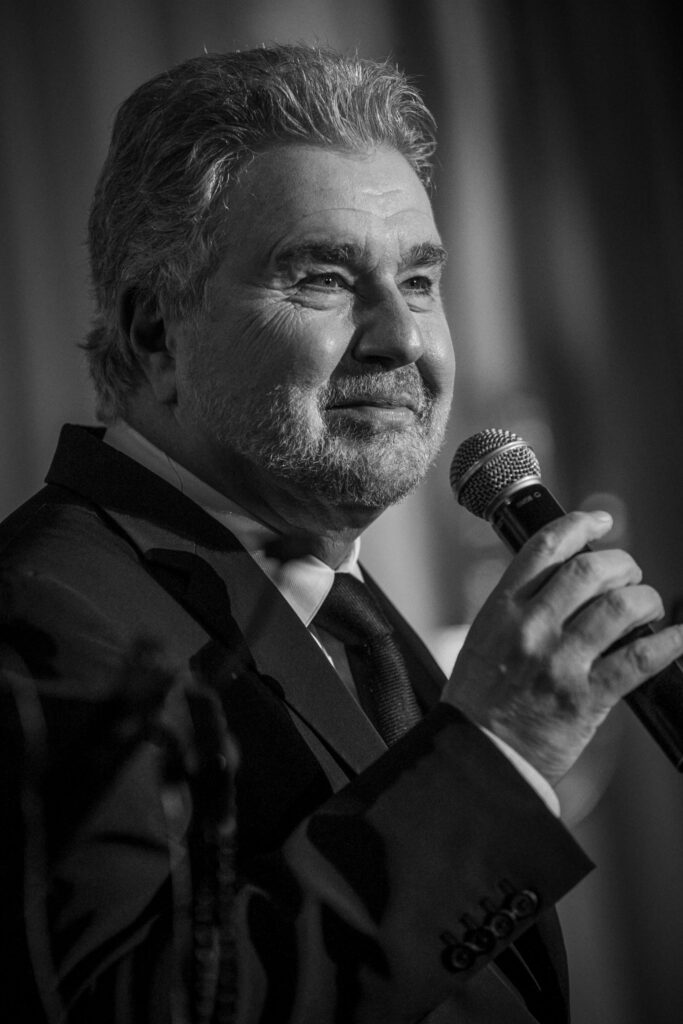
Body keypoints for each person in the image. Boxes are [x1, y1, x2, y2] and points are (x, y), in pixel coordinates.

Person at [1, 44, 682, 1024]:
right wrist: (493, 753)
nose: (403, 339)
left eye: (415, 282)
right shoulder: (42, 612)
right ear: (156, 334)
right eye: (321, 278)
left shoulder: (335, 602)